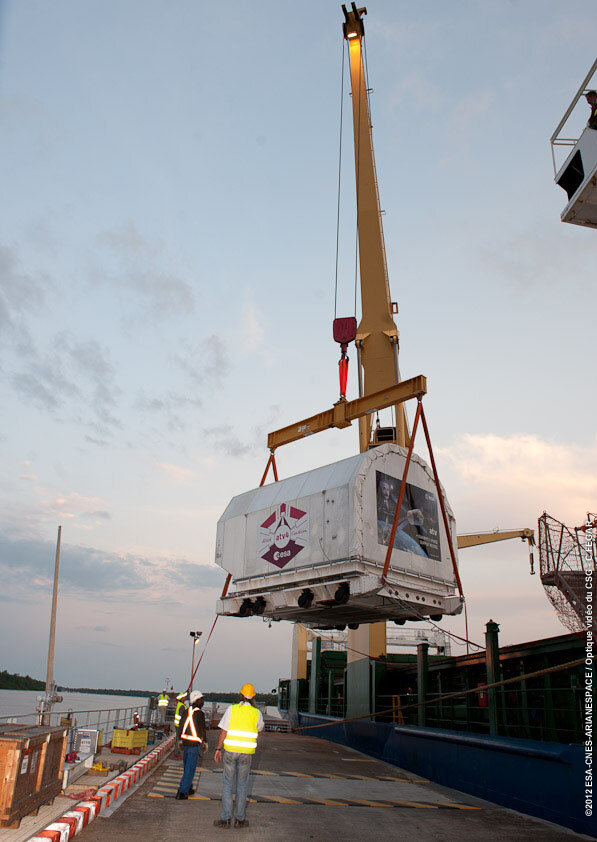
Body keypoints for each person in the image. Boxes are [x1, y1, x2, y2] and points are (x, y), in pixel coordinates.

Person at [213, 683, 264, 829]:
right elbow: (260, 728)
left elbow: (223, 730)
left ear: (240, 695)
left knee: (228, 785)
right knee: (242, 786)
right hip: (246, 754)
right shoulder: (256, 713)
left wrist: (218, 748)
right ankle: (240, 819)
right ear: (253, 697)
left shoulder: (232, 709)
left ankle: (226, 819)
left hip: (230, 751)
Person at [175, 690, 207, 800]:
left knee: (187, 767)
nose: (203, 701)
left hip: (185, 743)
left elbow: (180, 726)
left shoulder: (186, 711)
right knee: (190, 769)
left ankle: (188, 787)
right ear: (195, 701)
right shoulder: (200, 714)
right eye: (201, 699)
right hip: (193, 744)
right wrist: (205, 742)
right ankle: (182, 792)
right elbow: (202, 730)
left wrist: (179, 740)